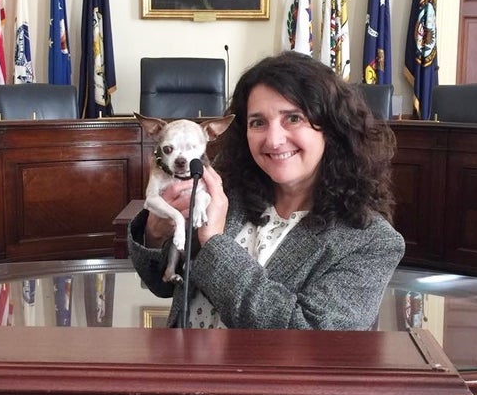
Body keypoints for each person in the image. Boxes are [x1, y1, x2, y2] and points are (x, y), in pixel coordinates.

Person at [128, 51, 405, 330]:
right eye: (258, 122)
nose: (273, 140)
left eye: (293, 118)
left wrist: (213, 243)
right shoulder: (225, 193)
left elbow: (309, 336)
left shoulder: (371, 241)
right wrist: (155, 233)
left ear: (331, 128)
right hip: (181, 367)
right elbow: (161, 284)